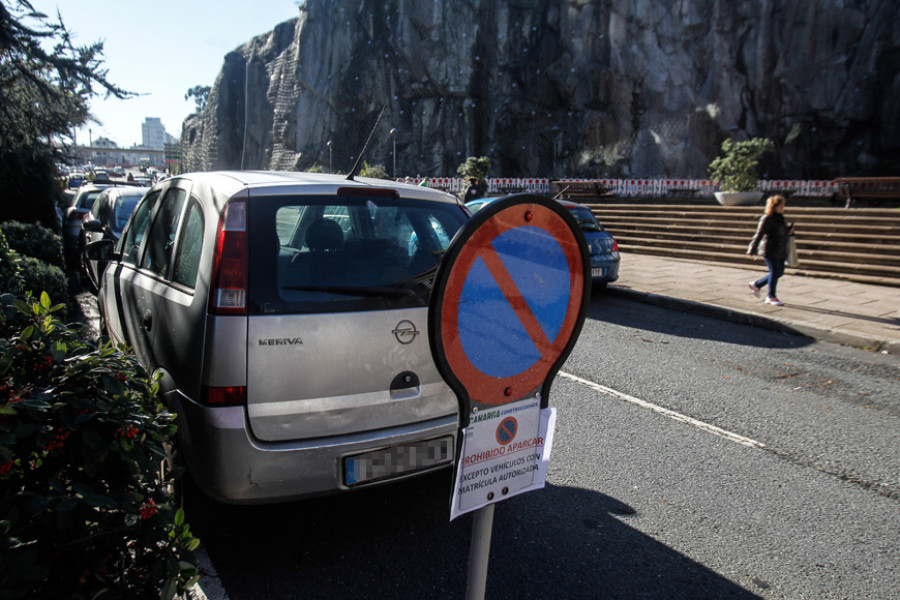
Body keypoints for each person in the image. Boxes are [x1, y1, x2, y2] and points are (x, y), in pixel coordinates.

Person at [747, 194, 794, 306]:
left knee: (779, 272)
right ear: (773, 206)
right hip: (770, 249)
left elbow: (781, 232)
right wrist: (752, 248)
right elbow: (759, 234)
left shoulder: (781, 218)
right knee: (774, 272)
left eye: (783, 206)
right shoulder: (767, 218)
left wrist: (789, 231)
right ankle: (771, 296)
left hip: (780, 249)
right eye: (780, 206)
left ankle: (757, 284)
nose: (782, 208)